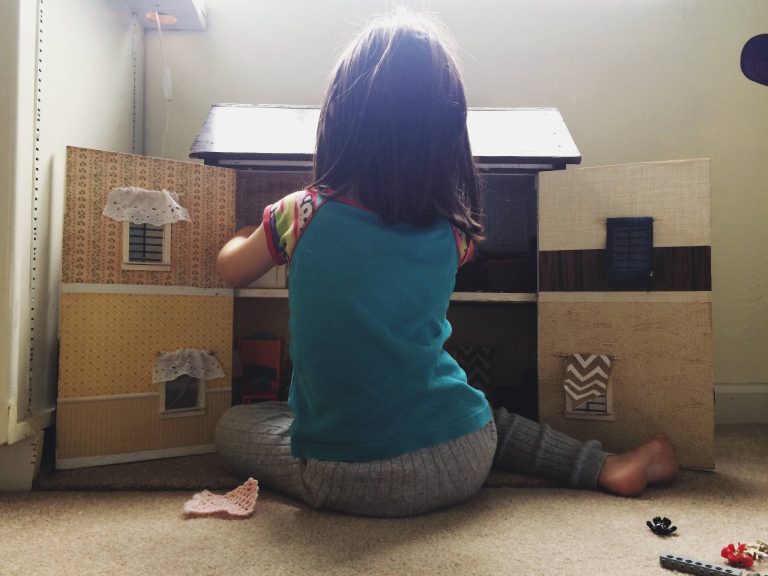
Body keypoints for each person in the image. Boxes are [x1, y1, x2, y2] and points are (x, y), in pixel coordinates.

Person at [214, 9, 679, 517]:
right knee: (480, 412)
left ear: (339, 123)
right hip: (463, 457)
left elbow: (230, 269)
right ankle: (603, 465)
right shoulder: (454, 233)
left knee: (236, 425)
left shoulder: (299, 214)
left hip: (345, 477)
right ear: (446, 139)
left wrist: (246, 233)